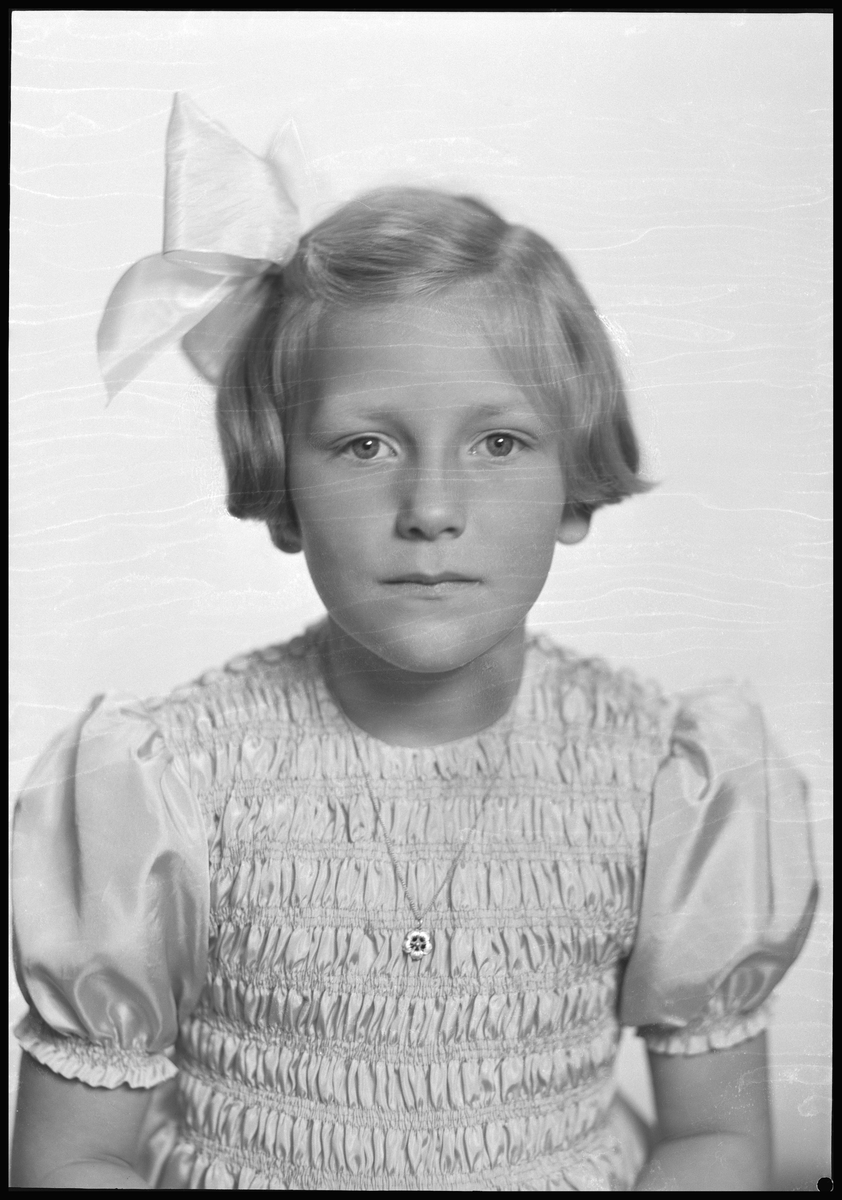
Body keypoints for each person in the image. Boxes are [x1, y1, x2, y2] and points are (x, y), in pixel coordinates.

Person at [10, 94, 818, 1191]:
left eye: (498, 441)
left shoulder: (666, 779)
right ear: (282, 486)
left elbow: (713, 1141)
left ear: (574, 477)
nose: (431, 508)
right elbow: (74, 1160)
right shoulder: (163, 790)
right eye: (364, 445)